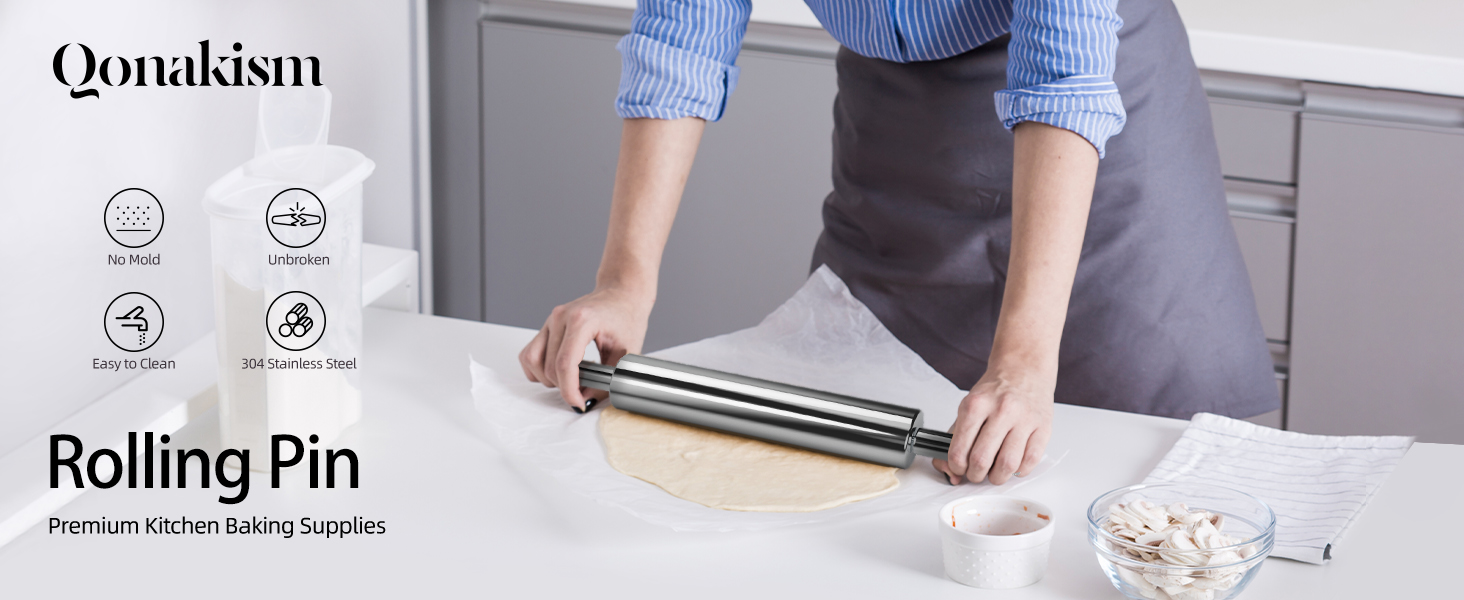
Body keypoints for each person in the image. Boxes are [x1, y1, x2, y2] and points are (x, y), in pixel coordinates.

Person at [519, 0, 1279, 487]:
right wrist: (625, 280)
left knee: (1145, 480)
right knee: (874, 463)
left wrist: (1021, 357)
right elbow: (683, 35)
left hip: (1095, 143)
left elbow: (1063, 79)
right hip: (898, 136)